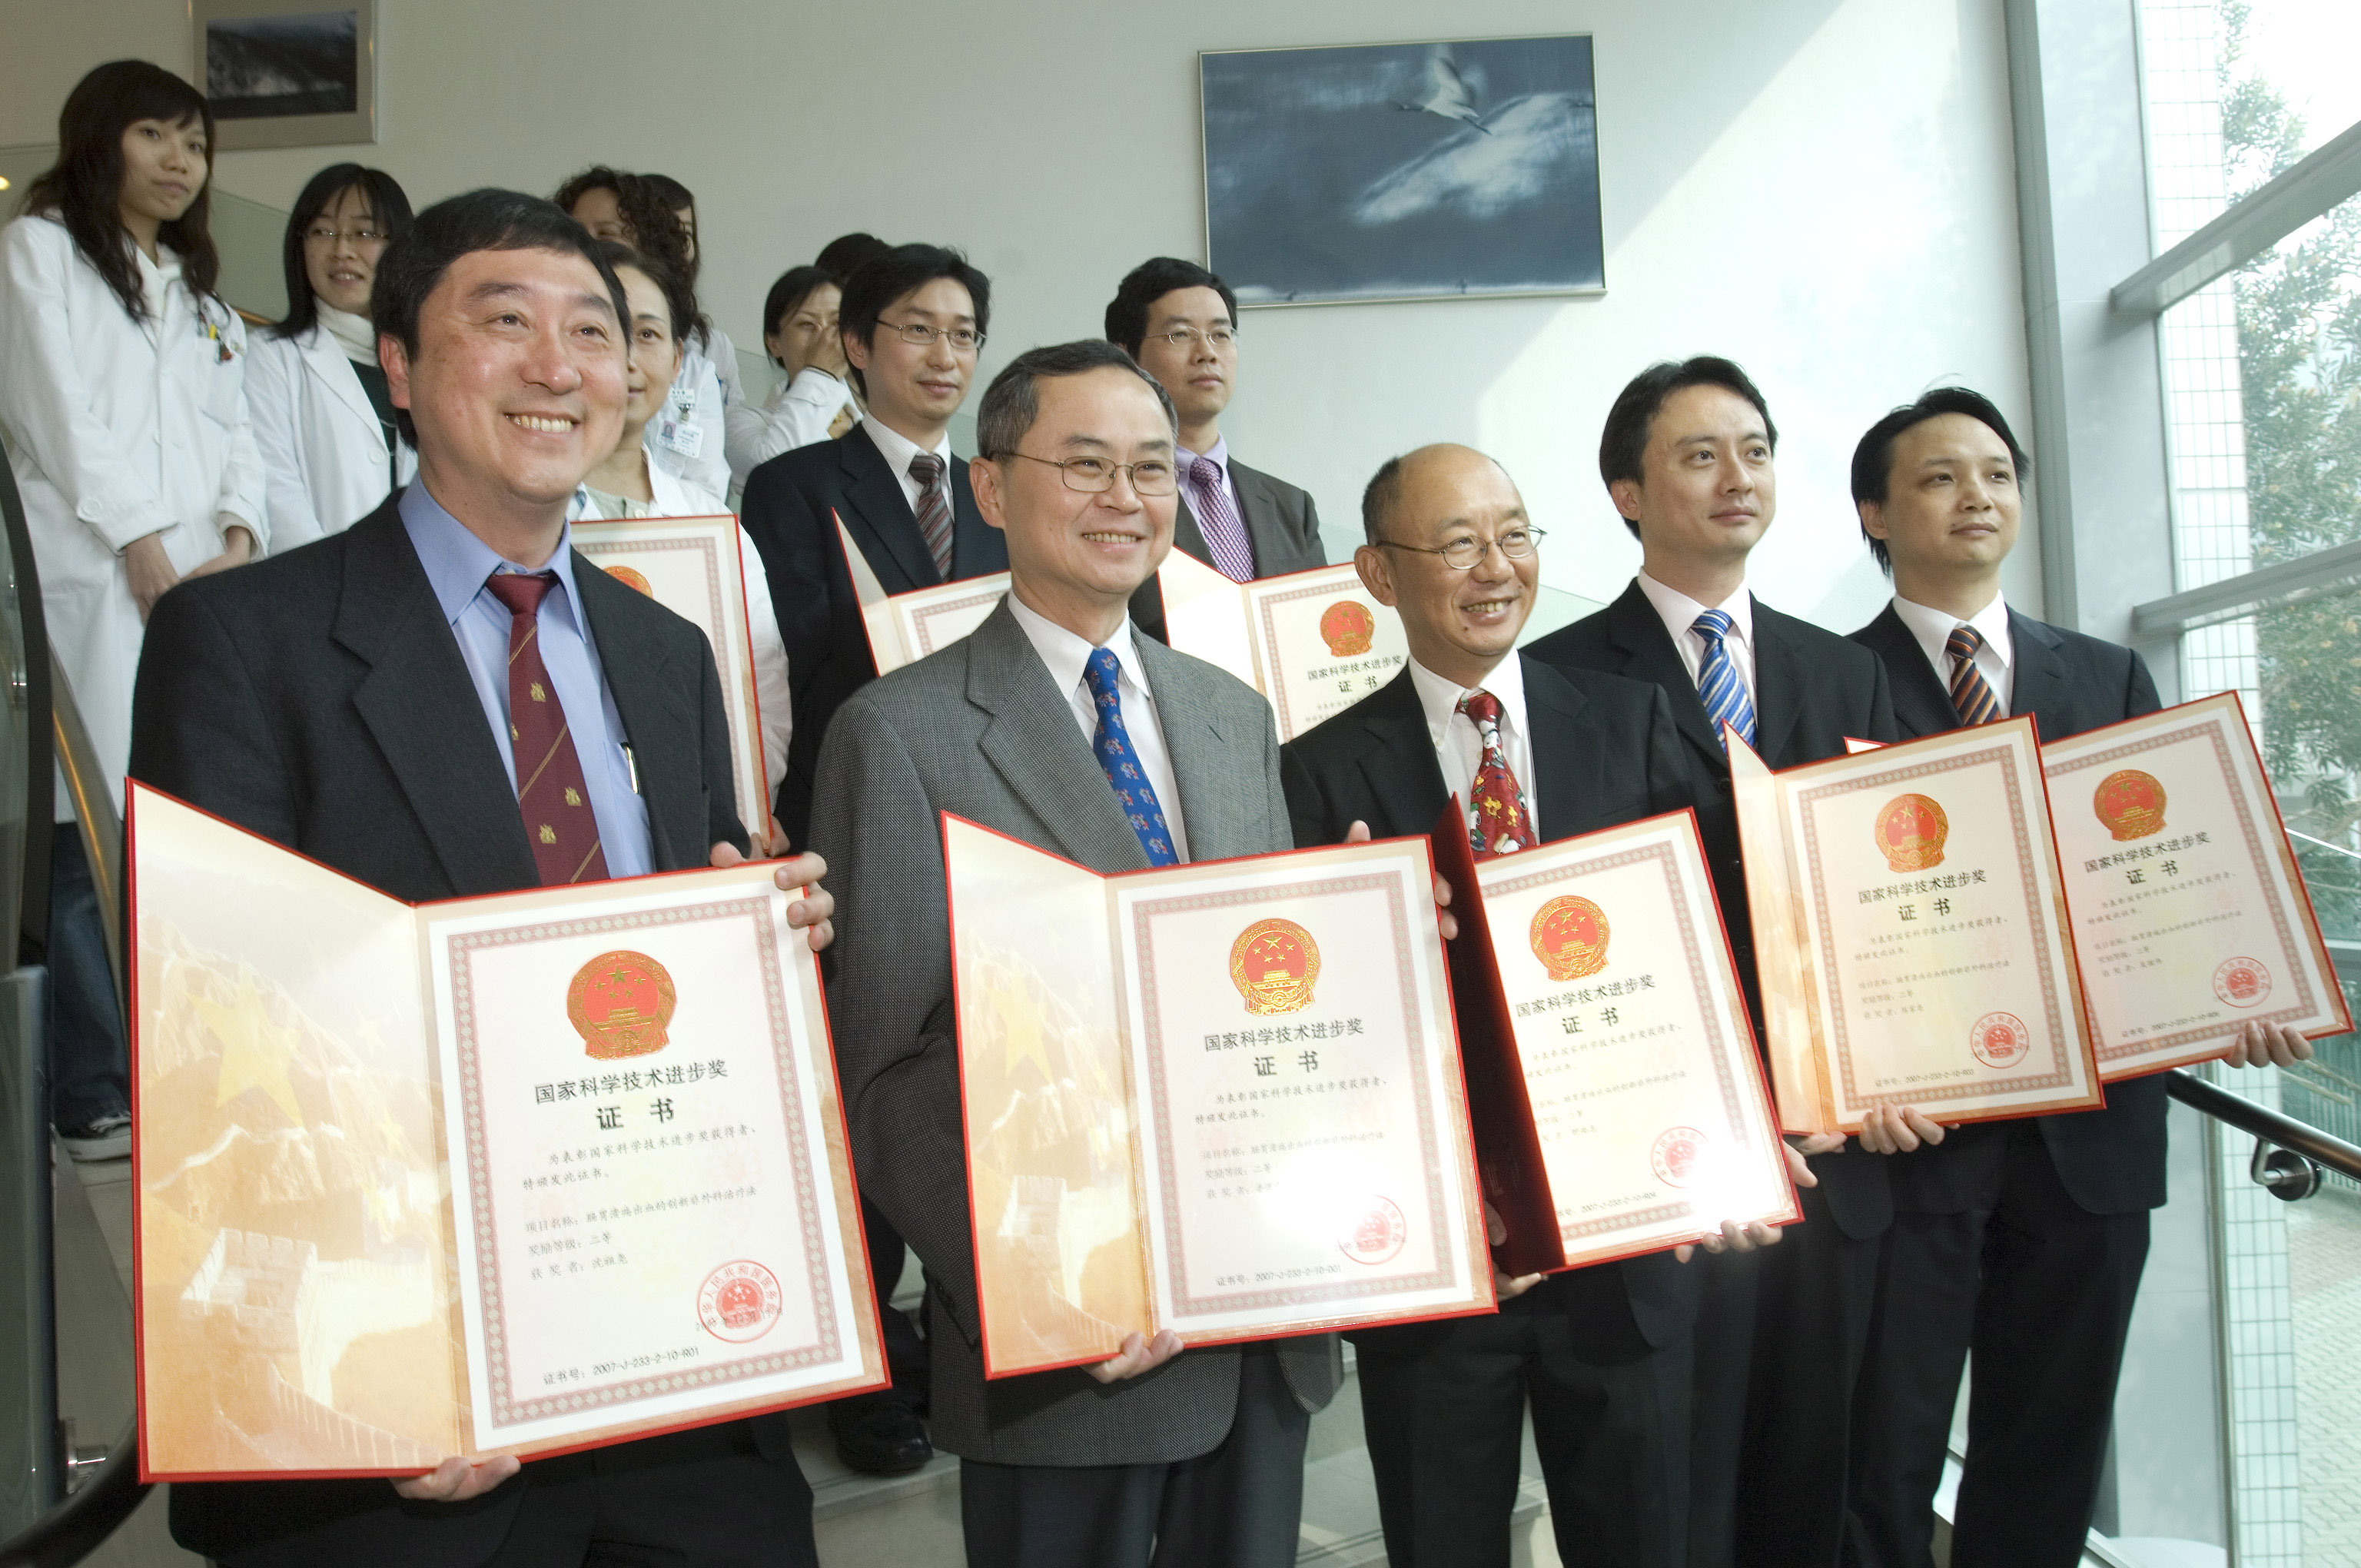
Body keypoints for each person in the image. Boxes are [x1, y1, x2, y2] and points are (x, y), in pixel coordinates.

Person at [131, 187, 836, 1567]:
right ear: (398, 364)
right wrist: (389, 1382)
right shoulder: (246, 640)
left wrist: (754, 931)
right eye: (502, 323)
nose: (559, 366)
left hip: (671, 1366)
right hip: (405, 1411)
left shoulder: (661, 656)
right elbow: (217, 1044)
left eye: (596, 331)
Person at [810, 339, 1340, 1568]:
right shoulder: (900, 734)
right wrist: (1058, 1286)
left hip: (1257, 1318)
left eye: (1150, 469)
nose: (1125, 499)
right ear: (993, 490)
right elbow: (878, 1069)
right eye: (1085, 464)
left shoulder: (1232, 713)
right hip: (1067, 1353)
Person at [1283, 443, 1807, 1568]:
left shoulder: (1636, 723)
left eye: (1515, 534)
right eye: (1459, 541)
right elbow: (1315, 1046)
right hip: (1445, 1272)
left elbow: (1720, 945)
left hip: (1635, 1252)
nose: (1495, 566)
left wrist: (1746, 1136)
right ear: (1378, 573)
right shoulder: (1315, 776)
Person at [1840, 389, 2314, 1568]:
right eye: (1941, 478)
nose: (1978, 498)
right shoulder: (1825, 685)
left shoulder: (2106, 675)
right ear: (1876, 515)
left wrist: (2233, 989)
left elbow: (2156, 881)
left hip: (2092, 1143)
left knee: (2047, 1451)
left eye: (1998, 474)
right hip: (1918, 1140)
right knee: (1877, 1455)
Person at [1522, 357, 1926, 1568]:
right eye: (1698, 456)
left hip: (1832, 1154)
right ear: (1626, 492)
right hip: (1658, 1168)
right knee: (1653, 1495)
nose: (1736, 477)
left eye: (1752, 449)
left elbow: (1888, 896)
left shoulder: (1847, 671)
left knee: (1807, 1481)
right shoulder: (1557, 678)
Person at [736, 240, 998, 1476]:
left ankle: (966, 1329)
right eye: (914, 331)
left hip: (994, 826)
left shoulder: (1004, 484)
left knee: (980, 1081)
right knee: (862, 1082)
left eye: (961, 335)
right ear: (854, 346)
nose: (941, 357)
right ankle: (865, 1355)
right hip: (855, 816)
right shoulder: (796, 486)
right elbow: (785, 655)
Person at [0, 58, 266, 1162]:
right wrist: (142, 544)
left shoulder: (201, 298)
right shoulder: (40, 252)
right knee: (85, 835)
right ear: (101, 137)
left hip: (207, 585)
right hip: (98, 582)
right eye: (156, 134)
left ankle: (180, 1077)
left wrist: (241, 540)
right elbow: (57, 416)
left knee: (186, 822)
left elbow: (235, 435)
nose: (177, 161)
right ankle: (94, 1091)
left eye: (195, 146)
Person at [571, 241, 790, 800]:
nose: (626, 357)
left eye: (646, 334)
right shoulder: (518, 518)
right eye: (600, 329)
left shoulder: (711, 524)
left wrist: (745, 809)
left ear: (676, 361)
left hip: (708, 818)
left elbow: (760, 688)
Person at [1106, 257, 1326, 584]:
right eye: (1179, 335)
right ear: (1125, 357)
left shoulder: (1293, 507)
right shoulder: (1105, 497)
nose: (1207, 353)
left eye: (1220, 334)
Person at [245, 162, 416, 550]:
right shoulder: (270, 357)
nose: (342, 250)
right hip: (315, 588)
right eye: (323, 232)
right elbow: (275, 490)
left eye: (364, 233)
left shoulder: (425, 364)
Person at [553, 168, 732, 499]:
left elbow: (706, 489)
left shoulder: (694, 371)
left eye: (606, 234)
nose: (588, 247)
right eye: (574, 233)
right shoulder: (548, 351)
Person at [724, 264, 858, 492]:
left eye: (836, 324)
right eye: (807, 324)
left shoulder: (872, 422)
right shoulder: (743, 423)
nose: (826, 338)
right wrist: (821, 374)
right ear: (774, 343)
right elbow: (779, 473)